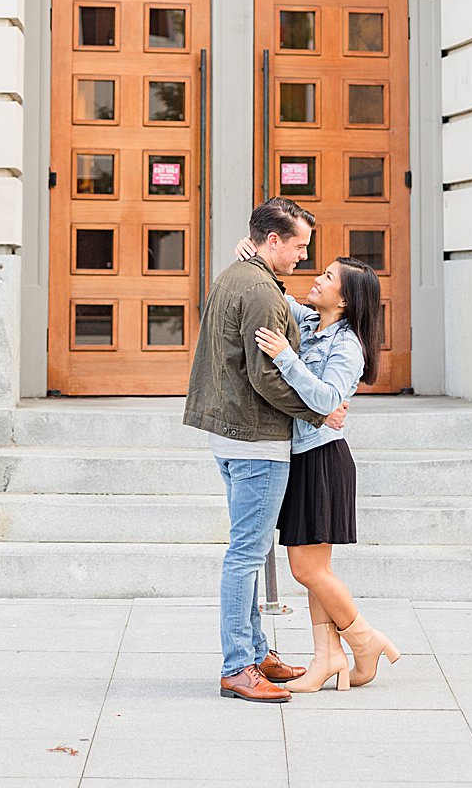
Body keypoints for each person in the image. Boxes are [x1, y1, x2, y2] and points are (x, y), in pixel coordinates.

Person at [181, 197, 346, 704]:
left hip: (232, 434)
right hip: (255, 439)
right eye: (299, 246)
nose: (303, 257)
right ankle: (238, 667)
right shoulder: (261, 292)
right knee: (246, 555)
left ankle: (255, 652)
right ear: (273, 240)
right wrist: (319, 413)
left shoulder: (239, 275)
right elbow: (265, 375)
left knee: (250, 552)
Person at [251, 252, 399, 691]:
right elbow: (278, 296)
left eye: (329, 276)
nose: (317, 277)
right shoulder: (313, 323)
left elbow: (325, 399)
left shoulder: (347, 345)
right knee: (315, 569)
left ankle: (364, 639)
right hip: (304, 458)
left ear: (347, 299)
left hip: (323, 460)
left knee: (307, 569)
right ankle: (327, 657)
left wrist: (284, 357)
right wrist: (254, 254)